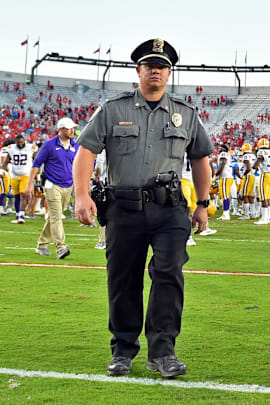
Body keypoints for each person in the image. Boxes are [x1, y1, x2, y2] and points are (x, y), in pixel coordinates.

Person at [72, 39, 213, 378]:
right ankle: (123, 349)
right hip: (123, 206)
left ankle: (163, 352)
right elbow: (87, 152)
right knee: (123, 279)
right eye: (149, 65)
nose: (155, 70)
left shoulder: (187, 114)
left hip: (170, 210)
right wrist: (80, 195)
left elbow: (200, 159)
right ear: (138, 70)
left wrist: (203, 205)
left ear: (169, 73)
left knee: (168, 276)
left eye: (162, 66)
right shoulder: (113, 109)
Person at [27, 118, 78, 259]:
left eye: (73, 128)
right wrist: (30, 183)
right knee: (56, 216)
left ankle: (42, 244)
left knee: (54, 216)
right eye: (69, 128)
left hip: (69, 184)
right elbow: (37, 164)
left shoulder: (76, 145)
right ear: (60, 129)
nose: (72, 130)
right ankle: (61, 248)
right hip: (52, 184)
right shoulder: (49, 145)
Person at [2, 134, 36, 223]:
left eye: (21, 142)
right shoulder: (11, 149)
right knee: (16, 196)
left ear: (24, 141)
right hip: (14, 175)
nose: (20, 144)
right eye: (18, 143)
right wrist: (3, 170)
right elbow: (6, 161)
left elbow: (36, 160)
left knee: (23, 194)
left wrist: (36, 172)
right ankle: (18, 216)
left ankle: (21, 215)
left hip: (26, 174)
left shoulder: (30, 147)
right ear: (15, 142)